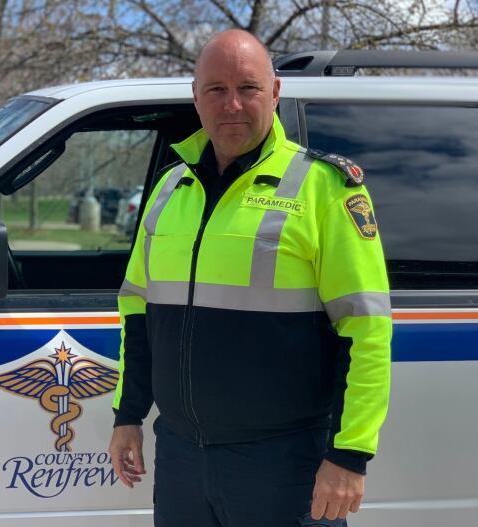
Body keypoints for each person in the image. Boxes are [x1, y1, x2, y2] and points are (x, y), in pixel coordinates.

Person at [108, 29, 392, 527]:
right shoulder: (170, 190)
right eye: (216, 89)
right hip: (181, 459)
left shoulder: (323, 189)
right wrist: (129, 414)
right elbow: (138, 310)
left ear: (276, 93)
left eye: (249, 88)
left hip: (283, 463)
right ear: (195, 98)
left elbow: (366, 329)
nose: (232, 104)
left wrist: (349, 455)